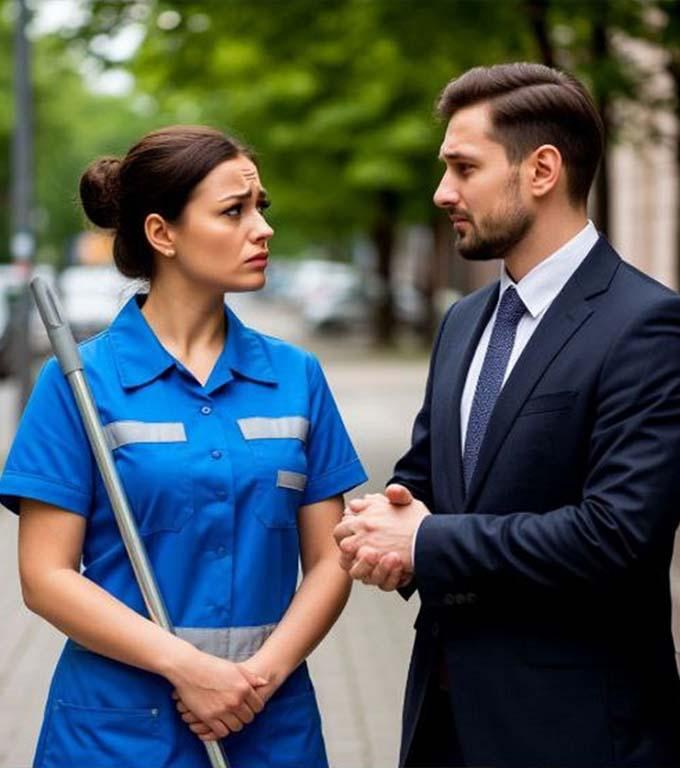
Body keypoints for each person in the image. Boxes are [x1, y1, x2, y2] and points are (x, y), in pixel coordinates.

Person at [334, 62, 680, 768]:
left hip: (574, 736)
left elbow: (618, 537)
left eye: (464, 167)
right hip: (444, 722)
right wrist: (383, 533)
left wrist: (425, 543)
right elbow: (428, 484)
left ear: (542, 170)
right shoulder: (464, 321)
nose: (442, 192)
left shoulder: (648, 326)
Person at [0, 125, 367, 768]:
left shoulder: (296, 376)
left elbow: (332, 557)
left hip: (267, 723)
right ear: (161, 233)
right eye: (234, 211)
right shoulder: (81, 384)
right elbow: (45, 577)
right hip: (116, 734)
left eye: (261, 208)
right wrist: (190, 669)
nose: (262, 229)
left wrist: (258, 679)